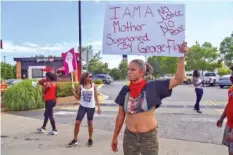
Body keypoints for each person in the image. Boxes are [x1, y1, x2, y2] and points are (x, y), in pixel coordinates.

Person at [111, 43, 189, 155]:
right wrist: (115, 136)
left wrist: (182, 57)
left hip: (148, 138)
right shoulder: (125, 90)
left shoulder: (153, 87)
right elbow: (120, 115)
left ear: (141, 72)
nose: (129, 71)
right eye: (129, 69)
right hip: (129, 137)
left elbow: (179, 79)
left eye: (133, 70)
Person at [68, 72, 101, 146]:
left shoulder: (93, 86)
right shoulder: (80, 86)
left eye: (91, 76)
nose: (91, 77)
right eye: (89, 76)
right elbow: (78, 98)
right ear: (85, 77)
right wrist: (73, 93)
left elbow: (96, 97)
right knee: (77, 123)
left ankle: (90, 139)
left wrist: (99, 107)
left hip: (91, 107)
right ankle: (75, 139)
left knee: (90, 123)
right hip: (82, 106)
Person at [216, 65, 233, 155]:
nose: (231, 78)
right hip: (230, 124)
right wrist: (222, 118)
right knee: (230, 150)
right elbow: (229, 105)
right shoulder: (231, 89)